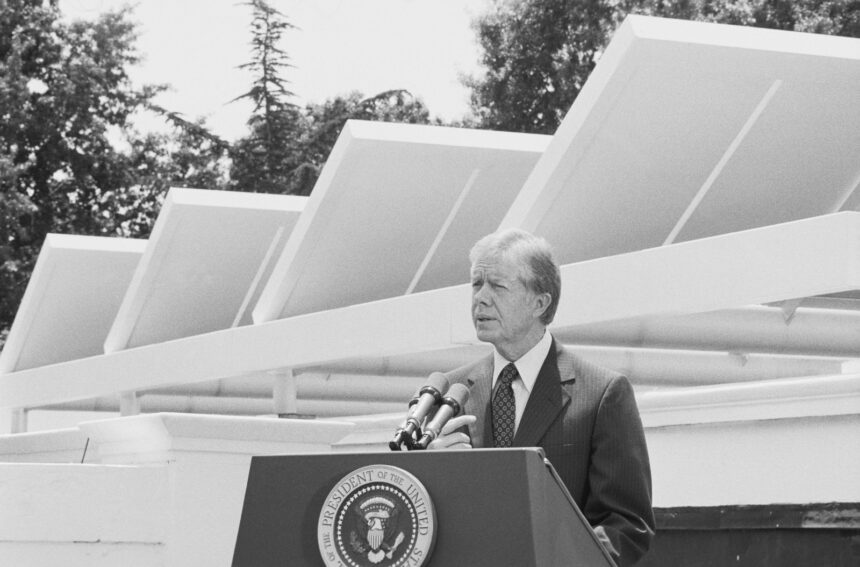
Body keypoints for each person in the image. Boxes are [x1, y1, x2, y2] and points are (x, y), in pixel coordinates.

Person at [429, 228, 655, 567]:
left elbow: (626, 524)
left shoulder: (602, 394)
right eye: (477, 284)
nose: (481, 298)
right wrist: (429, 469)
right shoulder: (449, 392)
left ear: (540, 302)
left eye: (498, 286)